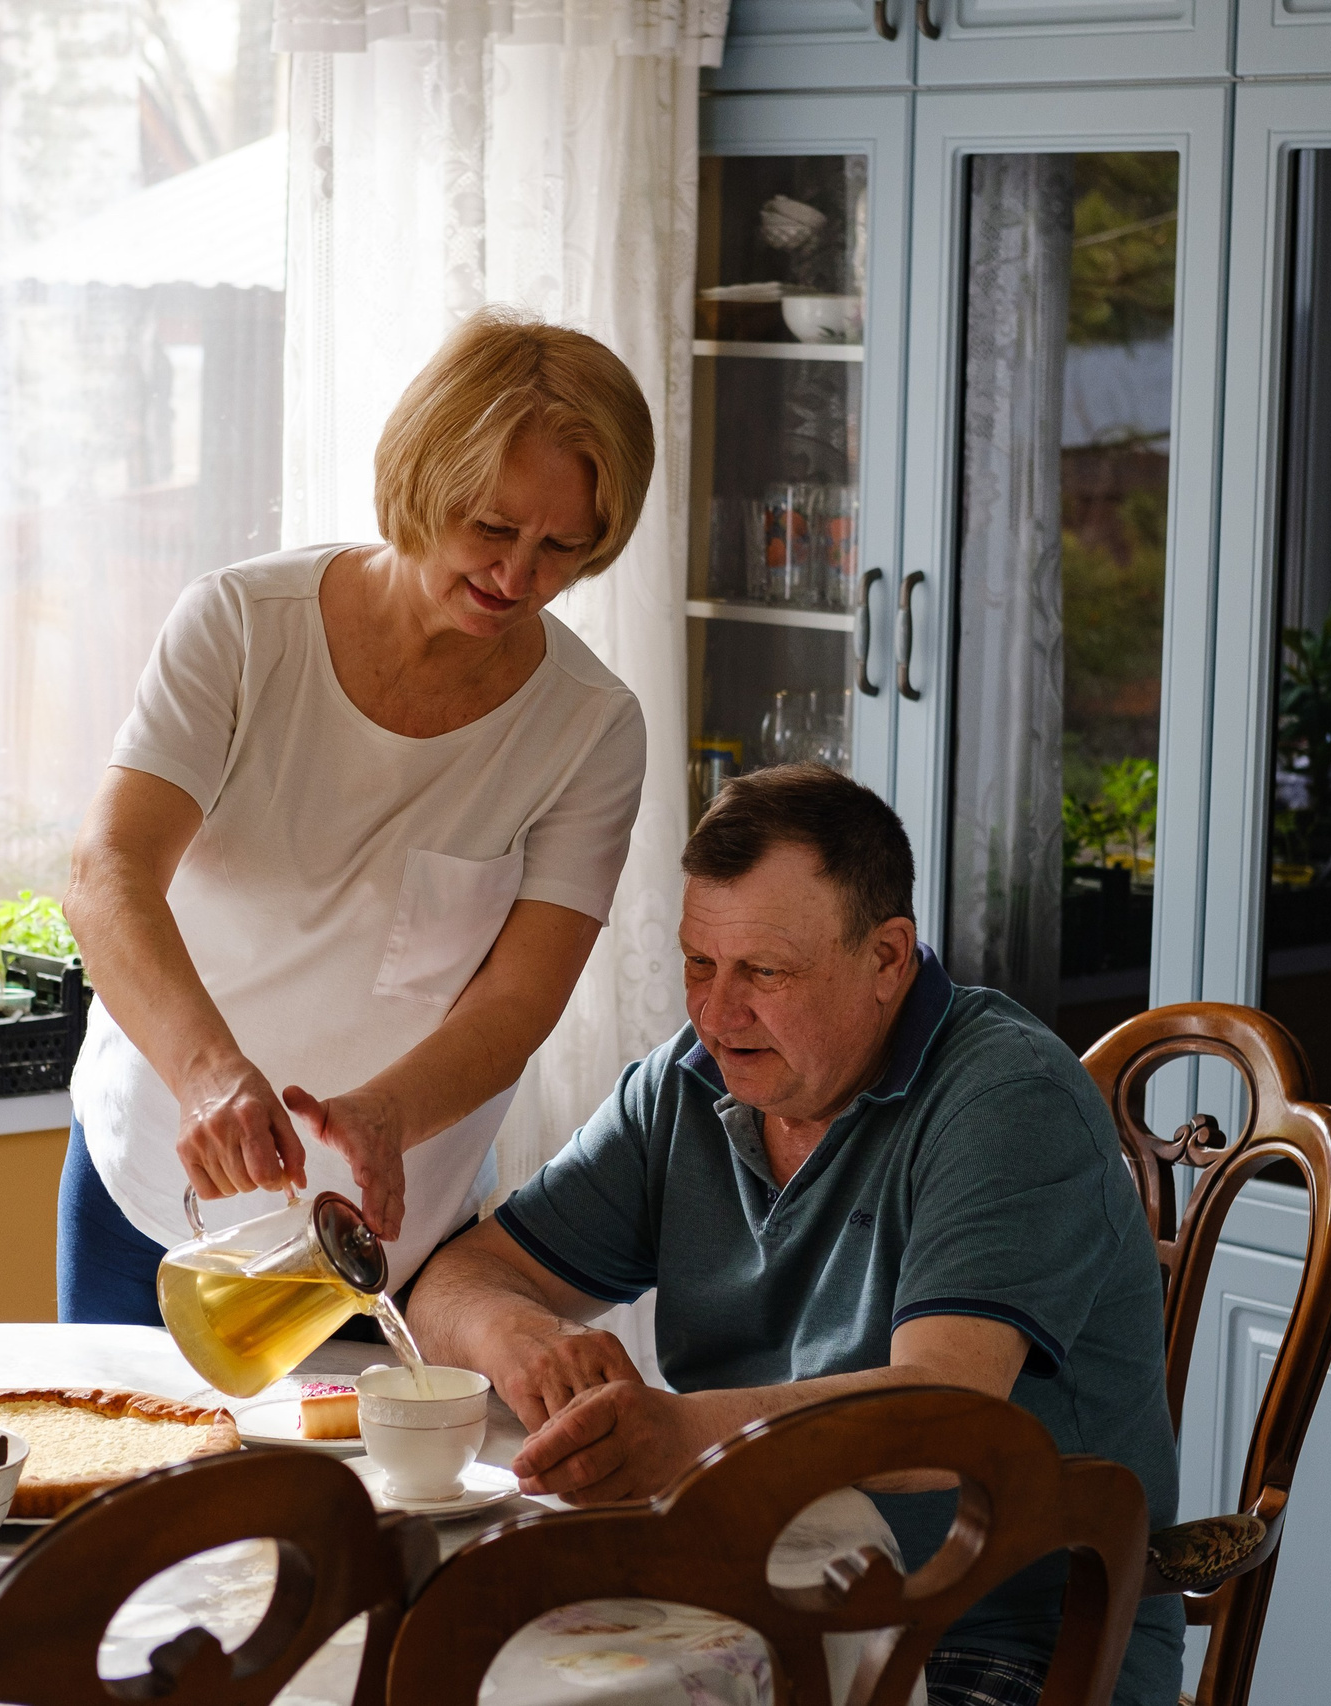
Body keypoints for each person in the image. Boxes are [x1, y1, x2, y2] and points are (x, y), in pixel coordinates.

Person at [408, 764, 1182, 1706]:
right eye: (701, 964)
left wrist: (678, 1434)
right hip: (762, 1590)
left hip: (1009, 1639)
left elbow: (943, 1421)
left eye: (764, 973)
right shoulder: (683, 1085)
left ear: (888, 958)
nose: (718, 1014)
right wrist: (530, 1343)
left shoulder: (1006, 1096)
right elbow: (459, 1279)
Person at [59, 307, 656, 1322]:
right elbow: (106, 869)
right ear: (426, 479)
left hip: (384, 1228)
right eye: (493, 527)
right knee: (131, 1473)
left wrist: (387, 1115)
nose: (517, 577)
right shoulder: (243, 628)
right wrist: (210, 1076)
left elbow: (516, 1003)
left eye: (562, 545)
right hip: (159, 1193)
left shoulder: (590, 727)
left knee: (358, 1486)